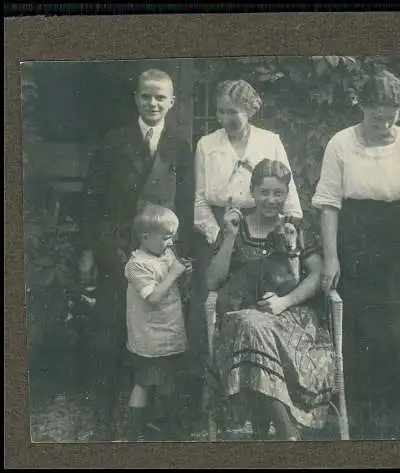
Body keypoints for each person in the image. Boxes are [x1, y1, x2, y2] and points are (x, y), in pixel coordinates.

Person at [311, 68, 400, 439]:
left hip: (396, 240)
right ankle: (359, 426)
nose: (383, 123)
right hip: (353, 240)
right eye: (375, 115)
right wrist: (332, 257)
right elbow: (328, 205)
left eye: (391, 116)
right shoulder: (340, 143)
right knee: (356, 330)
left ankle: (396, 427)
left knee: (397, 330)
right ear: (362, 108)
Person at [78, 68, 195, 440]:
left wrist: (181, 254)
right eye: (146, 95)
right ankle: (104, 416)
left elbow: (188, 206)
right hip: (117, 251)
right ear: (136, 98)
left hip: (160, 255)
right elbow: (93, 201)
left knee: (158, 333)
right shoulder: (114, 141)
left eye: (161, 97)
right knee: (111, 331)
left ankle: (156, 418)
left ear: (172, 102)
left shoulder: (180, 147)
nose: (153, 103)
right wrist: (89, 252)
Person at [188, 80, 303, 426]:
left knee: (269, 314)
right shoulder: (207, 145)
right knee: (208, 309)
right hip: (223, 240)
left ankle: (274, 401)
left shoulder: (270, 142)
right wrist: (222, 239)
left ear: (250, 109)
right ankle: (220, 405)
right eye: (221, 111)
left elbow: (289, 197)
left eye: (233, 111)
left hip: (267, 239)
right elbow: (199, 202)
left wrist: (284, 234)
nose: (226, 118)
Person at [206, 159, 336, 441]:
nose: (270, 199)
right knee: (252, 325)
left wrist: (285, 301)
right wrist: (228, 237)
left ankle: (276, 430)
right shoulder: (235, 228)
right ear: (252, 191)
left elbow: (317, 274)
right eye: (264, 192)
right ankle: (286, 430)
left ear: (286, 194)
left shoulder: (295, 228)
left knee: (256, 327)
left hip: (290, 318)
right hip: (241, 320)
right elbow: (212, 282)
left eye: (278, 193)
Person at [124, 205, 192, 441]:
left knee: (160, 381)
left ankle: (160, 427)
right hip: (150, 340)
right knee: (147, 383)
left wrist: (181, 272)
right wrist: (174, 273)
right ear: (145, 237)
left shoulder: (164, 255)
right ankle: (141, 431)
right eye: (166, 237)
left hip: (166, 335)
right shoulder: (136, 266)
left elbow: (172, 279)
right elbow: (152, 297)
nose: (171, 242)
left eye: (173, 236)